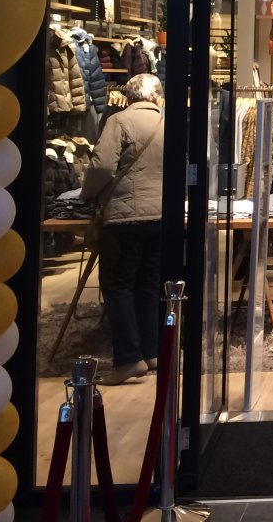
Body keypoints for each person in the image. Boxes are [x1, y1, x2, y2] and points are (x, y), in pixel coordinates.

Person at [82, 73, 165, 385]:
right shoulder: (168, 123)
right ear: (157, 97)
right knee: (149, 284)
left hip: (124, 216)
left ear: (129, 97)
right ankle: (152, 351)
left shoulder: (119, 121)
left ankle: (129, 359)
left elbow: (102, 166)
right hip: (162, 214)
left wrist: (88, 194)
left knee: (118, 286)